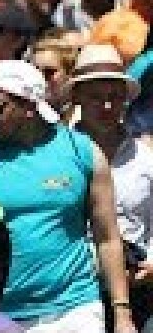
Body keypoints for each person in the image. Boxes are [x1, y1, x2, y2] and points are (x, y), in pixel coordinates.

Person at [0, 59, 136, 333]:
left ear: (29, 108)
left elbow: (107, 237)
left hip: (75, 308)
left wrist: (121, 313)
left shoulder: (82, 152)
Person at [67, 44, 153, 331]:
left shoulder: (145, 158)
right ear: (76, 97)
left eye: (114, 97)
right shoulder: (60, 156)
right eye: (96, 97)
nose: (106, 107)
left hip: (142, 290)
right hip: (77, 295)